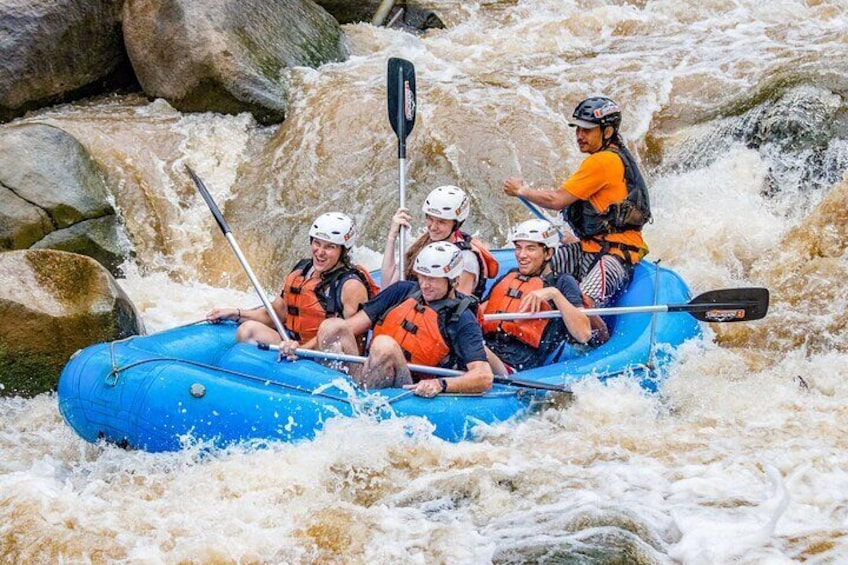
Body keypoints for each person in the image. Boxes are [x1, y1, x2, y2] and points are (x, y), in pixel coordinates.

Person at [502, 96, 652, 310]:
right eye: (577, 129)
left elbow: (556, 200)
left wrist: (521, 190)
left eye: (587, 130)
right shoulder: (614, 156)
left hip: (615, 255)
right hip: (590, 246)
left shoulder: (602, 161)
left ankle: (588, 338)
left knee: (583, 302)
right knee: (534, 269)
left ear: (607, 132)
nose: (579, 136)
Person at [292, 241, 493, 397]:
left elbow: (483, 376)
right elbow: (350, 326)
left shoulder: (462, 319)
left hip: (409, 389)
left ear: (454, 281)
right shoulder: (402, 291)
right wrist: (299, 350)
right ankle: (331, 394)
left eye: (432, 279)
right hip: (371, 373)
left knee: (384, 345)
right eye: (422, 276)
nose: (424, 284)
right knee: (332, 326)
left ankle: (359, 405)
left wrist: (440, 385)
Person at [206, 212, 378, 351]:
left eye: (329, 247)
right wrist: (235, 313)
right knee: (247, 330)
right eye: (317, 243)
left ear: (343, 250)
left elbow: (353, 341)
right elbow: (274, 316)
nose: (320, 252)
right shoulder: (301, 271)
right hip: (294, 344)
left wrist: (303, 349)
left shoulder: (351, 286)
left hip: (325, 352)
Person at [481, 219, 592, 375]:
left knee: (469, 345)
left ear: (548, 253)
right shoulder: (510, 276)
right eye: (518, 248)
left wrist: (554, 294)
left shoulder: (562, 282)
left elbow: (584, 334)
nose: (522, 255)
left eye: (530, 249)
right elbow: (478, 314)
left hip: (517, 364)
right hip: (489, 349)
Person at [382, 185, 498, 298]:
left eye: (441, 222)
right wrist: (392, 236)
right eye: (430, 218)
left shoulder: (465, 261)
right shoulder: (422, 243)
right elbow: (387, 288)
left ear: (456, 224)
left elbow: (456, 310)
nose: (432, 227)